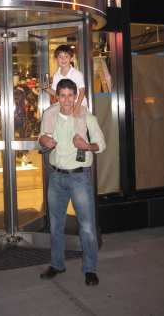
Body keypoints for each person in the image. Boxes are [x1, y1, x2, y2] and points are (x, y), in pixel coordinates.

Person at [38, 78, 106, 286]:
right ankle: (57, 264)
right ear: (57, 96)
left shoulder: (87, 118)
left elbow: (101, 145)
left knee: (86, 227)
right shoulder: (49, 114)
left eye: (70, 95)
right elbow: (41, 137)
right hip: (56, 176)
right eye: (63, 95)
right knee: (56, 225)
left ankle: (90, 269)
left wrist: (86, 146)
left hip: (79, 177)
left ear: (76, 96)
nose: (66, 100)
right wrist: (43, 140)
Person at [40, 45, 88, 162]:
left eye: (66, 56)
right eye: (60, 57)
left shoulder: (77, 74)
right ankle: (49, 139)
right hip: (63, 103)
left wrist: (77, 106)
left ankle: (81, 148)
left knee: (79, 118)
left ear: (71, 58)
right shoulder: (57, 75)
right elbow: (56, 93)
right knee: (48, 112)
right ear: (56, 60)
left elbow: (82, 91)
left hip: (78, 101)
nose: (63, 59)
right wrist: (46, 89)